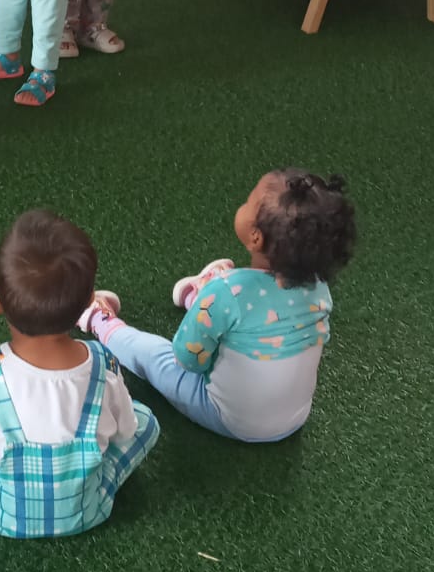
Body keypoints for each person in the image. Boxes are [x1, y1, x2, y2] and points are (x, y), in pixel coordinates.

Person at [0, 210, 159, 539]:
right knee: (146, 422)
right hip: (89, 511)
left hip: (1, 518)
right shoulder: (103, 366)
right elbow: (125, 433)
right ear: (88, 303)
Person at [81, 170, 356, 441]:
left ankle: (99, 320)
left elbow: (187, 360)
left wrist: (215, 299)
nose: (243, 204)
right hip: (294, 419)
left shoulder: (228, 292)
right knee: (233, 318)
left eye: (248, 202)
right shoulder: (319, 288)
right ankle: (200, 299)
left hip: (230, 420)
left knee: (156, 357)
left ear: (256, 237)